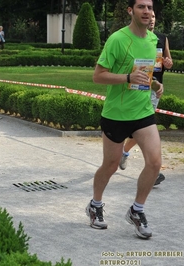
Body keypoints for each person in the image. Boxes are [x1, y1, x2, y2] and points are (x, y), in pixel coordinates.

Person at [85, 0, 163, 239]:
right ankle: (95, 204)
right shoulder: (118, 39)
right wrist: (128, 77)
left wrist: (154, 84)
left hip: (142, 112)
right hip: (116, 115)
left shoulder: (152, 40)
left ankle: (137, 210)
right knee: (110, 165)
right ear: (131, 11)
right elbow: (98, 76)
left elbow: (146, 74)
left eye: (150, 7)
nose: (146, 11)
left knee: (155, 162)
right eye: (141, 6)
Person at [119, 10, 173, 187]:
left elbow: (168, 61)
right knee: (143, 127)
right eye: (148, 16)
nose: (151, 19)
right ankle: (127, 153)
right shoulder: (135, 37)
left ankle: (126, 152)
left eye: (154, 16)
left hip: (155, 88)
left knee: (144, 126)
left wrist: (167, 63)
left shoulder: (162, 38)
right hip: (137, 85)